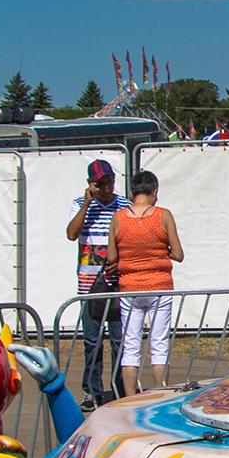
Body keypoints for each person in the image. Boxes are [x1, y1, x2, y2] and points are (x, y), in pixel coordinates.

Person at [108, 169, 183, 396]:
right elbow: (178, 254)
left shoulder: (118, 217)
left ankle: (130, 397)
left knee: (130, 345)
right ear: (155, 192)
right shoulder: (164, 215)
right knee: (159, 343)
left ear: (131, 193)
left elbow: (111, 257)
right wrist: (161, 252)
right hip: (159, 286)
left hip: (129, 288)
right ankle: (161, 393)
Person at [63, 159, 130, 408]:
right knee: (92, 341)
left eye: (109, 182)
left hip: (117, 282)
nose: (106, 188)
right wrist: (88, 203)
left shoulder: (124, 205)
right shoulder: (80, 205)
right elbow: (71, 234)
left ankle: (120, 387)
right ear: (91, 184)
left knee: (119, 339)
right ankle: (91, 390)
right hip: (89, 284)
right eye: (100, 183)